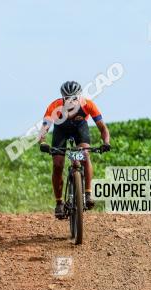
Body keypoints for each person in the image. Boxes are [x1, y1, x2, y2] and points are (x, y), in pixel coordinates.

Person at [37, 81, 111, 219]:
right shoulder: (55, 106)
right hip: (61, 131)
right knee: (58, 164)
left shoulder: (88, 104)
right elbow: (45, 127)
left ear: (79, 96)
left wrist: (106, 142)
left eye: (74, 98)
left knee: (84, 155)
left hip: (80, 130)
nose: (71, 101)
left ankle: (88, 194)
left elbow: (102, 127)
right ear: (63, 98)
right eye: (67, 98)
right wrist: (43, 142)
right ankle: (59, 203)